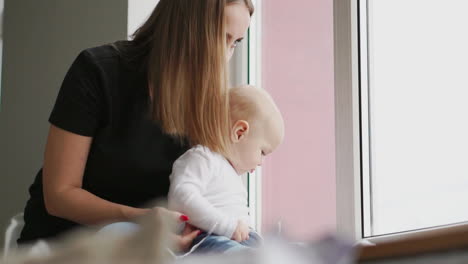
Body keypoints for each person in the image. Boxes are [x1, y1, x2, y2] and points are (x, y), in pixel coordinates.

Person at [18, 0, 254, 253]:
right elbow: (59, 196)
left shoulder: (211, 104)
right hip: (65, 247)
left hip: (153, 248)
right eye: (221, 38)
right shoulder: (98, 70)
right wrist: (142, 220)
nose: (225, 57)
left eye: (236, 43)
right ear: (186, 28)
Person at [168, 85, 284, 253]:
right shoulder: (202, 157)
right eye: (262, 152)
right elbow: (181, 197)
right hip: (209, 239)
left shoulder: (228, 171)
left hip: (238, 240)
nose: (261, 162)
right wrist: (228, 226)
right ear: (239, 132)